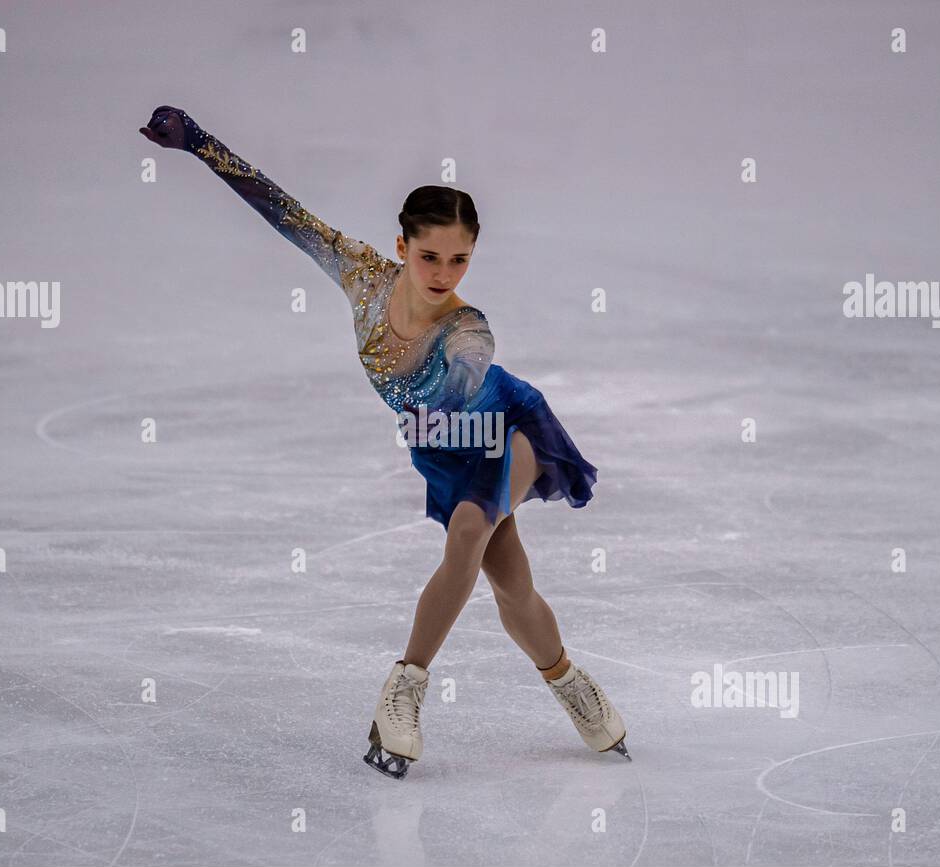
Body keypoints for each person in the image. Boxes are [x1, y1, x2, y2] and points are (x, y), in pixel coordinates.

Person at [139, 106, 629, 778]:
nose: (444, 271)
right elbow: (281, 209)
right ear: (402, 247)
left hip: (503, 429)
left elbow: (468, 371)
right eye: (430, 255)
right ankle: (569, 681)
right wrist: (197, 142)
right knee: (511, 583)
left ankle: (402, 691)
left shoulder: (469, 328)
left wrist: (461, 378)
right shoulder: (362, 275)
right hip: (437, 445)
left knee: (466, 536)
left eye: (460, 259)